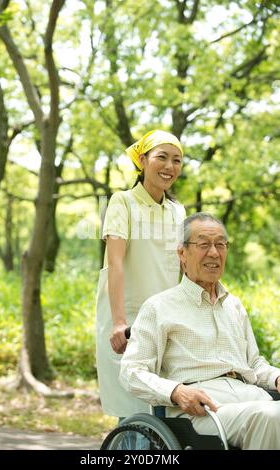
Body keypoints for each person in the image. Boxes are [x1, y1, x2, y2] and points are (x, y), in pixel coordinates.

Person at [120, 212, 280, 450]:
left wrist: (276, 377)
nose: (214, 253)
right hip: (201, 410)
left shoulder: (234, 305)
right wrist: (176, 392)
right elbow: (131, 371)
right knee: (272, 417)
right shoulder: (159, 307)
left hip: (251, 396)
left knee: (269, 413)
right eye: (204, 244)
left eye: (220, 245)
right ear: (182, 253)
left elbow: (254, 364)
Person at [96, 129, 186, 418]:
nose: (169, 166)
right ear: (143, 161)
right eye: (162, 157)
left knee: (166, 405)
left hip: (168, 319)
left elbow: (183, 269)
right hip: (129, 318)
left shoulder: (178, 211)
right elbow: (116, 263)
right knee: (134, 409)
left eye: (177, 160)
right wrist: (119, 322)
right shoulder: (123, 202)